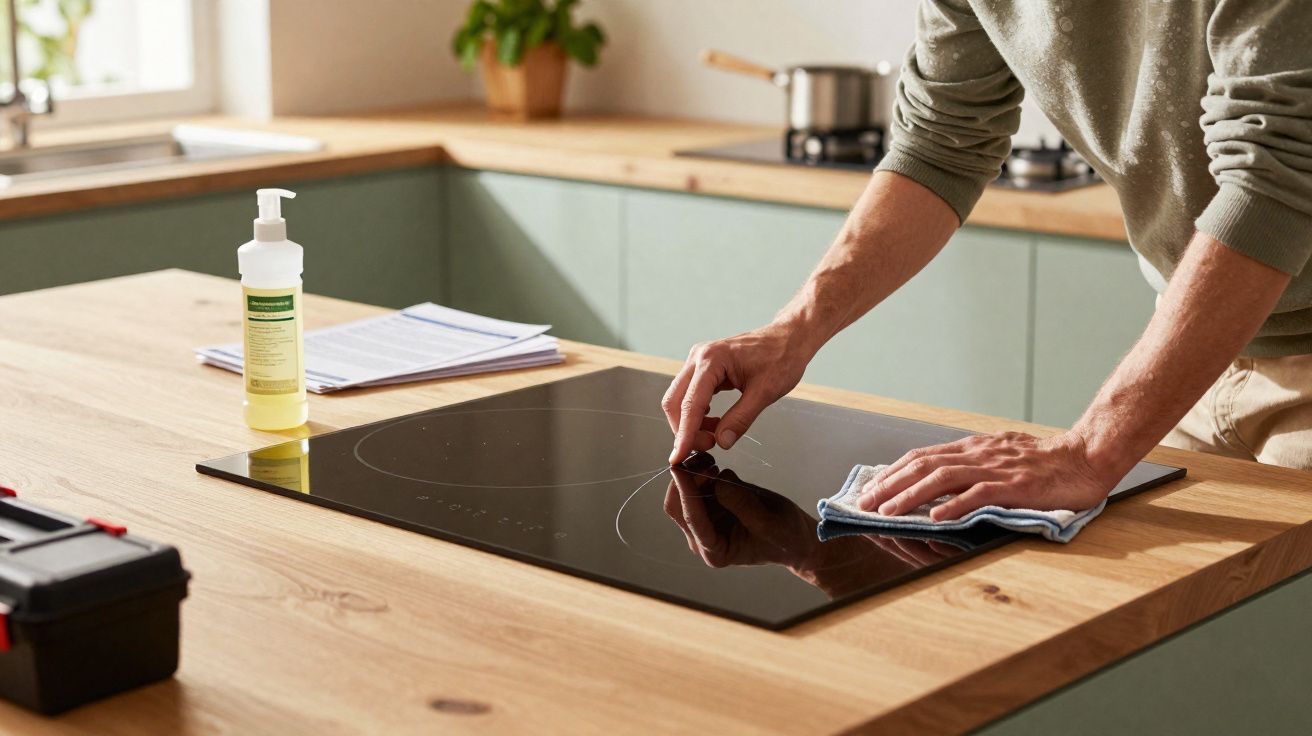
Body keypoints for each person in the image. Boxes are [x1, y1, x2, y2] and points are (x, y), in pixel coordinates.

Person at [662, 1, 1312, 523]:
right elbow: (939, 143)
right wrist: (794, 330)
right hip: (1201, 365)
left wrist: (1090, 449)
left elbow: (1275, 180)